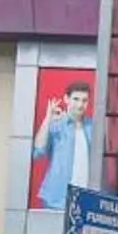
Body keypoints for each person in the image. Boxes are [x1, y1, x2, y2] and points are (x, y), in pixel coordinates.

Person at [32, 80, 95, 210]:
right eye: (76, 99)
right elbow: (38, 151)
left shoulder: (92, 127)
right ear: (66, 99)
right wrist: (47, 119)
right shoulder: (56, 124)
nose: (80, 104)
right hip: (57, 197)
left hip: (85, 198)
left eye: (84, 100)